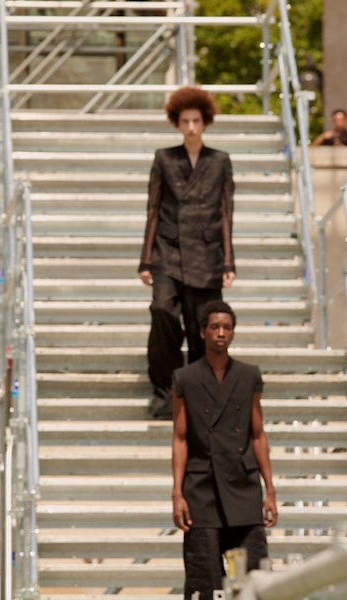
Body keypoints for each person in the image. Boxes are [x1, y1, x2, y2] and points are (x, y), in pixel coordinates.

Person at [138, 87, 237, 420]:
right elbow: (152, 208)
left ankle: (199, 393)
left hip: (208, 255)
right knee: (162, 310)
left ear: (205, 122)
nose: (191, 127)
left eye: (196, 120)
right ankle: (164, 390)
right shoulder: (164, 158)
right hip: (168, 250)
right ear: (177, 123)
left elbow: (226, 212)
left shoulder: (220, 160)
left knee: (204, 325)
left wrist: (228, 261)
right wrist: (145, 258)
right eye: (185, 121)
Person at [171, 300, 278, 600]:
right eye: (215, 327)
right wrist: (177, 493)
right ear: (202, 331)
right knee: (204, 584)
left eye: (227, 327)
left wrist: (270, 490)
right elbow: (180, 438)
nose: (221, 332)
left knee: (254, 580)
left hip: (243, 488)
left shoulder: (249, 375)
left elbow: (258, 434)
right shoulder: (185, 378)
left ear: (233, 333)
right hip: (201, 491)